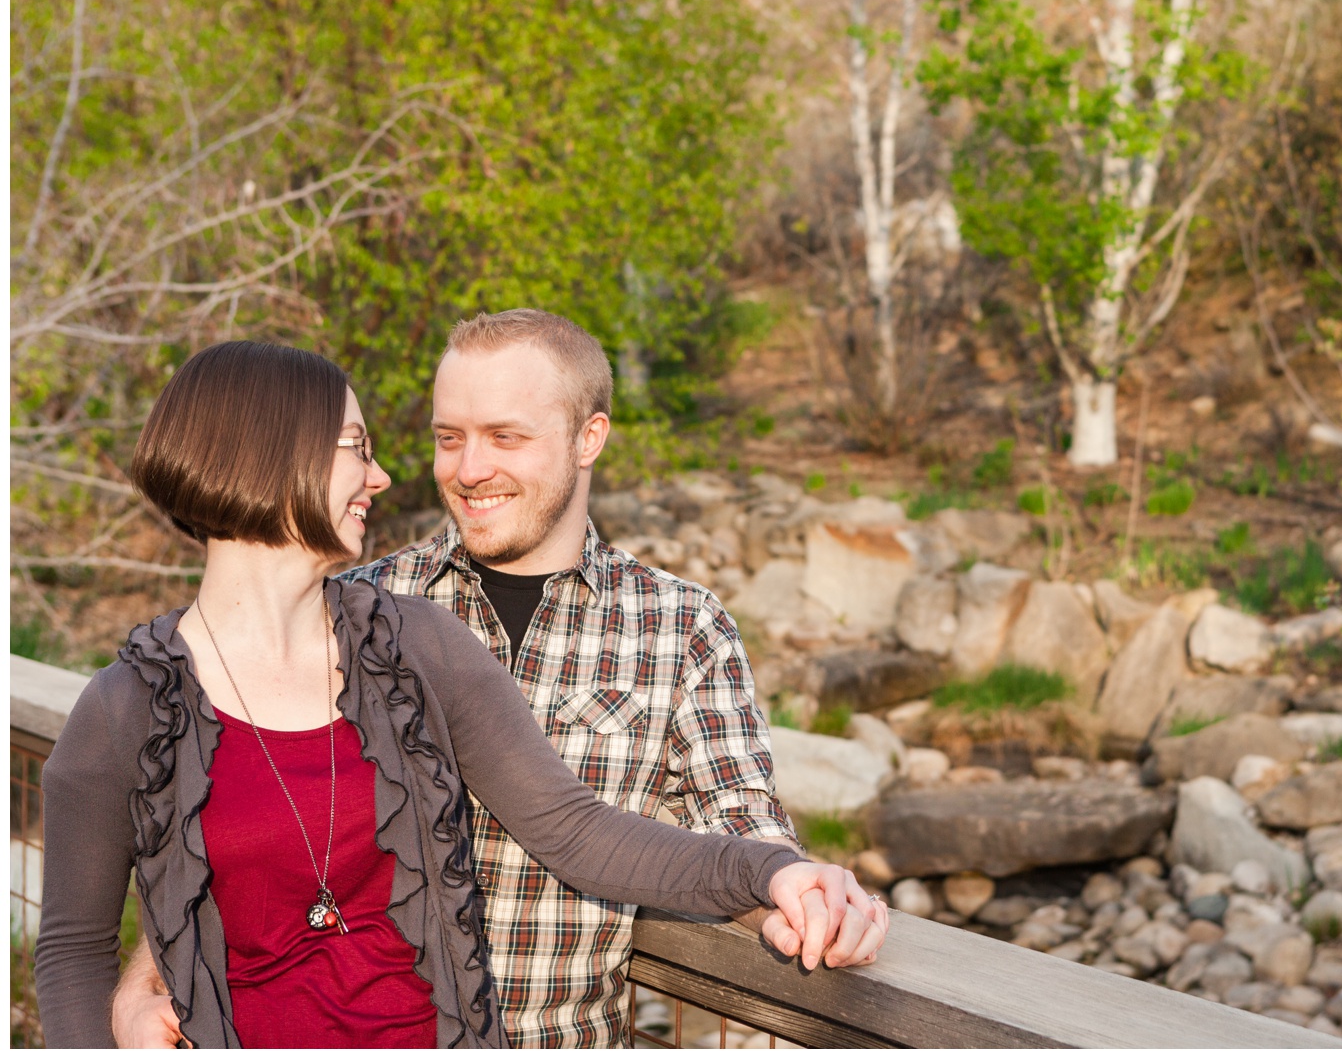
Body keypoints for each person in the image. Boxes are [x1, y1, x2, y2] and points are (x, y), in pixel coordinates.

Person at [36, 341, 880, 1049]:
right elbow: (73, 950)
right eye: (356, 447)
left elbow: (580, 833)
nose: (383, 473)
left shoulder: (414, 645)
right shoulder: (125, 708)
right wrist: (133, 989)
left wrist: (774, 870)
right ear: (273, 456)